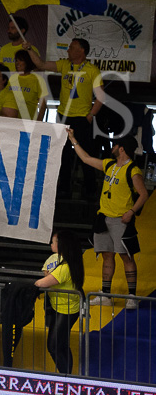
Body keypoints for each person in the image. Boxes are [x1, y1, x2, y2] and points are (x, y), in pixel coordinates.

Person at [68, 131, 147, 310]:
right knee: (107, 256)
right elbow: (86, 159)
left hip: (121, 220)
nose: (112, 147)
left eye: (115, 145)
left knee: (126, 256)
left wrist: (131, 212)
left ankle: (132, 296)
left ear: (122, 149)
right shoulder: (110, 164)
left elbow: (143, 194)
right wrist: (73, 139)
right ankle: (106, 294)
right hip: (104, 218)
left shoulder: (133, 170)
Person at [24, 38, 104, 198]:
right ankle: (64, 188)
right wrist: (29, 49)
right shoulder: (64, 65)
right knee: (63, 154)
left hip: (82, 117)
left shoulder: (92, 70)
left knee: (86, 154)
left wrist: (90, 115)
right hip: (63, 116)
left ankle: (90, 190)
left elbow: (101, 97)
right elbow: (41, 64)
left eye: (71, 47)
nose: (68, 50)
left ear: (81, 50)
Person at [34, 230, 85, 374]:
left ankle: (65, 377)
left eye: (53, 242)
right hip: (61, 308)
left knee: (54, 346)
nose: (51, 244)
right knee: (62, 345)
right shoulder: (69, 263)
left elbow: (41, 283)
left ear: (62, 245)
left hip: (66, 310)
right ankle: (67, 375)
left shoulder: (64, 267)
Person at [12, 50, 48, 121]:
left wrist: (38, 122)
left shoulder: (38, 79)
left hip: (29, 121)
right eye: (16, 60)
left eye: (21, 60)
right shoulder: (12, 78)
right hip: (11, 121)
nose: (17, 63)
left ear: (27, 62)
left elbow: (43, 105)